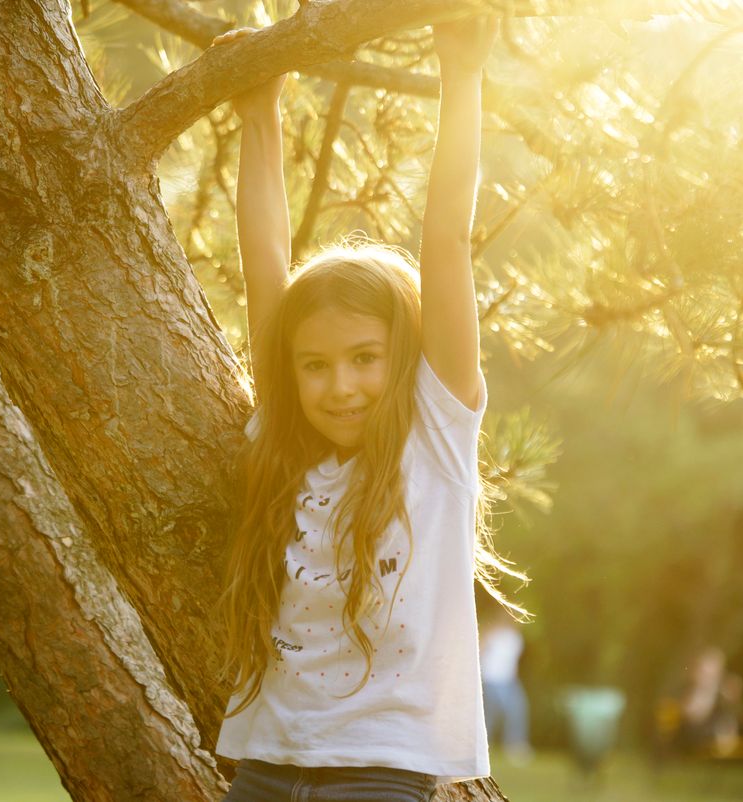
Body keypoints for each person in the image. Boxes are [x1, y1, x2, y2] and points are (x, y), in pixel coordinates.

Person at [209, 14, 523, 802]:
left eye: (364, 360)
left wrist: (461, 72)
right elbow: (266, 265)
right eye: (314, 365)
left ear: (404, 356)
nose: (338, 385)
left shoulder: (435, 438)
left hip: (381, 775)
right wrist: (258, 114)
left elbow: (446, 239)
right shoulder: (286, 441)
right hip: (264, 769)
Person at [480, 606, 533, 763]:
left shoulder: (515, 637)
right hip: (491, 679)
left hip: (508, 680)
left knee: (517, 710)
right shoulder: (492, 633)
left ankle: (515, 745)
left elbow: (512, 661)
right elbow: (480, 651)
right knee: (490, 714)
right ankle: (483, 747)